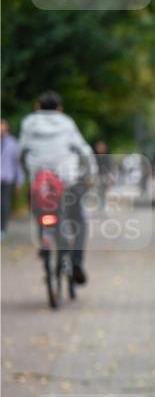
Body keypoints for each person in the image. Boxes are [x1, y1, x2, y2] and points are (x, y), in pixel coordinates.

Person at [18, 90, 96, 284]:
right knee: (79, 220)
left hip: (40, 181)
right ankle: (76, 261)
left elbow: (21, 152)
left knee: (38, 209)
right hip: (66, 181)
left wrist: (26, 174)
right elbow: (84, 150)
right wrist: (90, 173)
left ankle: (44, 239)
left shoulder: (28, 123)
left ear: (37, 106)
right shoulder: (66, 123)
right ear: (59, 108)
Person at [1, 118, 24, 239]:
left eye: (2, 125)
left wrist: (19, 180)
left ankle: (2, 228)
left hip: (6, 178)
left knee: (4, 204)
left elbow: (17, 164)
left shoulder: (13, 143)